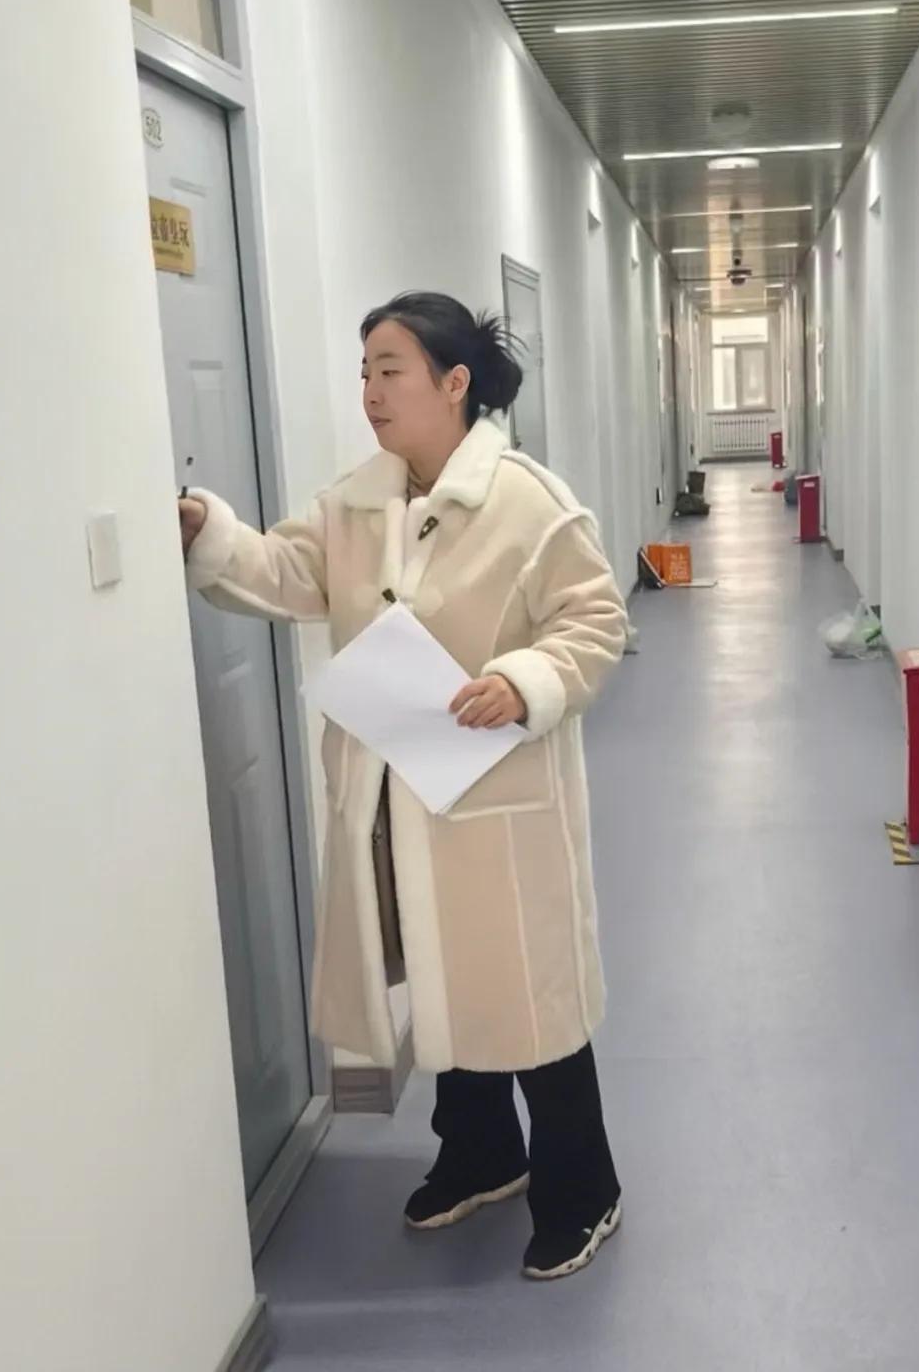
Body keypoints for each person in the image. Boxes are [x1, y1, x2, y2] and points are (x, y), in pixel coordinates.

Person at [179, 292, 627, 1280]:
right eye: (365, 372)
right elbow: (285, 573)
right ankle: (481, 1153)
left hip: (496, 795)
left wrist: (524, 682)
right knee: (439, 975)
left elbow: (594, 623)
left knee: (530, 995)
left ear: (454, 383)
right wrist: (206, 528)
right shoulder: (355, 506)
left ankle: (583, 1190)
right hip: (394, 798)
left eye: (391, 370)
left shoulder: (529, 502)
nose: (372, 392)